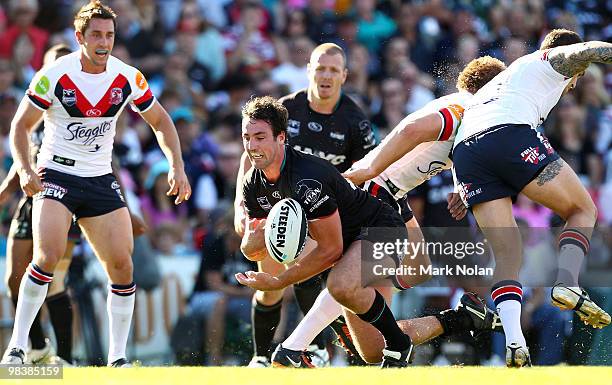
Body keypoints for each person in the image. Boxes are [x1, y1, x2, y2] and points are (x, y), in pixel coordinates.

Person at [346, 29, 612, 367]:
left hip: (469, 153)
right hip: (504, 136)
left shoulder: (497, 90)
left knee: (507, 250)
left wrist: (461, 185)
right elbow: (586, 49)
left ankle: (515, 344)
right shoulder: (545, 62)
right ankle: (568, 284)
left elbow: (469, 136)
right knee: (582, 209)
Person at [273, 56, 507, 366]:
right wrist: (371, 167)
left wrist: (458, 186)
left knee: (379, 341)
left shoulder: (463, 108)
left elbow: (456, 148)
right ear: (491, 90)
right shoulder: (466, 110)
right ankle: (293, 346)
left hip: (390, 193)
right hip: (377, 191)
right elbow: (412, 130)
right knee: (357, 283)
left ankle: (463, 318)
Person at [1, 1, 191, 367]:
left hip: (99, 178)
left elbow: (162, 122)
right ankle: (18, 348)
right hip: (56, 173)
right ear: (80, 38)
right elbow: (20, 127)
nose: (104, 42)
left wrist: (177, 166)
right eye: (96, 35)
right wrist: (25, 170)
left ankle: (117, 360)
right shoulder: (54, 74)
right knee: (47, 257)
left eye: (110, 35)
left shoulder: (128, 77)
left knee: (122, 264)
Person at [236, 96, 414, 367]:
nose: (252, 146)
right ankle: (406, 339)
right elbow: (251, 246)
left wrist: (279, 280)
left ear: (281, 137)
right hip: (345, 239)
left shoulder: (307, 178)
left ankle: (397, 346)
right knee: (369, 350)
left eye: (260, 137)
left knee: (339, 284)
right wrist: (254, 241)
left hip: (382, 229)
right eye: (246, 137)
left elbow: (331, 250)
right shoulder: (253, 183)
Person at [234, 43, 376, 367]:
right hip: (275, 206)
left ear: (344, 76)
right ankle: (260, 356)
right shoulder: (287, 109)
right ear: (309, 69)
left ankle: (315, 349)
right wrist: (239, 208)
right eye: (320, 68)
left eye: (333, 70)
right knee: (268, 284)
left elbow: (371, 169)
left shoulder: (355, 121)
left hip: (324, 210)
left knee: (313, 274)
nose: (325, 75)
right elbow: (249, 153)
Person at [0, 44, 76, 365]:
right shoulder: (37, 108)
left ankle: (67, 358)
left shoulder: (79, 109)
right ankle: (38, 346)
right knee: (15, 278)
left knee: (54, 280)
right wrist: (4, 192)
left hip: (68, 201)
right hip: (31, 200)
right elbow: (25, 157)